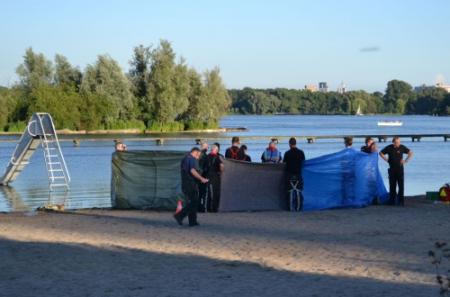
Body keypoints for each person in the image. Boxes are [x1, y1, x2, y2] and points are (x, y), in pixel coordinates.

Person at [174, 147, 208, 226]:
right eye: (198, 155)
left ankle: (192, 221)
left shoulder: (185, 158)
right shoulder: (192, 159)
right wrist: (201, 178)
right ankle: (179, 216)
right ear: (195, 153)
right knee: (194, 202)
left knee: (192, 202)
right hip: (190, 184)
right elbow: (192, 171)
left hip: (186, 184)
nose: (198, 157)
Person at [379, 137, 413, 206]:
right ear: (393, 142)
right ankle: (392, 201)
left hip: (400, 169)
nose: (398, 143)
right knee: (392, 186)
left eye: (399, 142)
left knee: (401, 186)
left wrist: (406, 160)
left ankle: (401, 201)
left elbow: (410, 153)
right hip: (392, 169)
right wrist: (386, 159)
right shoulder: (389, 147)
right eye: (397, 142)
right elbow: (381, 153)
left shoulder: (402, 147)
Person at [283, 137, 305, 211]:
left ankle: (290, 208)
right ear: (296, 143)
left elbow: (284, 163)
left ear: (289, 144)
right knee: (298, 191)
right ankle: (298, 208)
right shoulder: (301, 152)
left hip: (289, 174)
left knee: (290, 192)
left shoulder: (287, 153)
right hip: (298, 173)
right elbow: (303, 161)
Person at [204, 144, 224, 212]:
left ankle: (208, 208)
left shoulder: (206, 156)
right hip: (215, 176)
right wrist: (221, 172)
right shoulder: (217, 157)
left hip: (208, 175)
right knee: (215, 192)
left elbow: (204, 167)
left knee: (209, 192)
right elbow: (221, 166)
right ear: (216, 150)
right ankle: (214, 208)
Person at [198, 142, 209, 212]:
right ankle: (202, 208)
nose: (207, 148)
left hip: (197, 176)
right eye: (207, 147)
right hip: (203, 176)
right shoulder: (205, 156)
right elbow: (205, 168)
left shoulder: (197, 155)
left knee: (198, 193)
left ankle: (198, 207)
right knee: (203, 193)